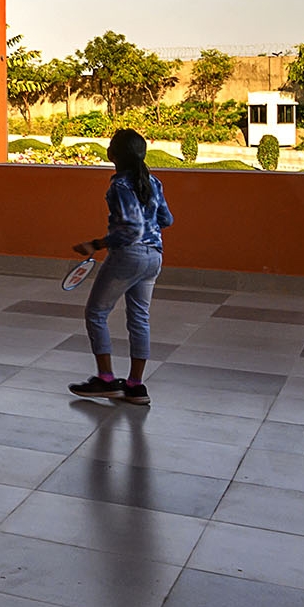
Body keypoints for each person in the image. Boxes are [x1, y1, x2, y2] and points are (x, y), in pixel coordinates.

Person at [71, 127, 172, 403]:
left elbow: (131, 229)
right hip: (154, 256)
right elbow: (166, 219)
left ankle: (105, 379)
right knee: (139, 318)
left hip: (129, 256)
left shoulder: (120, 186)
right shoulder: (153, 182)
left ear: (112, 154)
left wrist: (96, 244)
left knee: (96, 313)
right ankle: (135, 385)